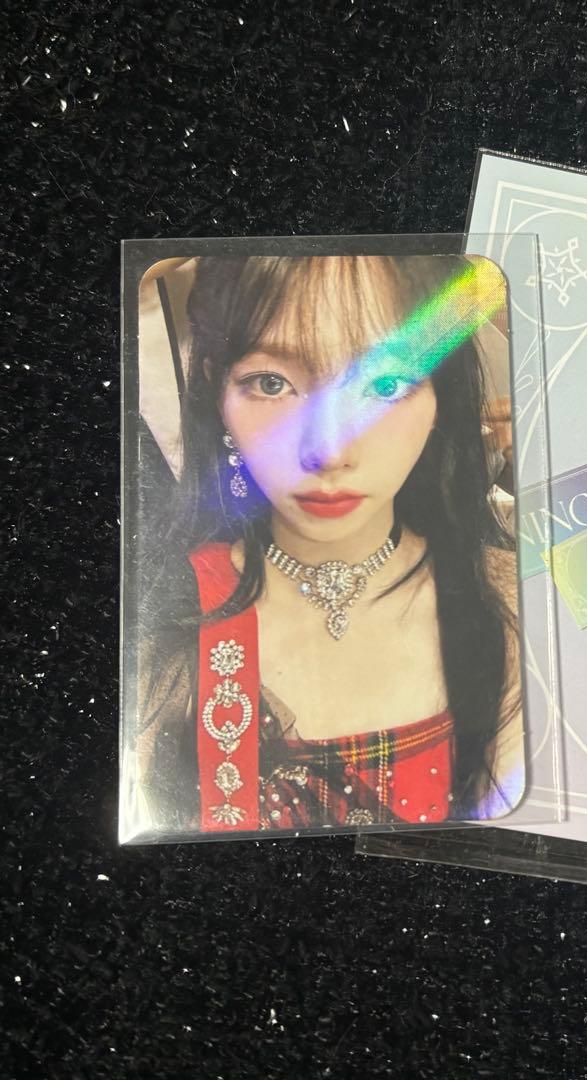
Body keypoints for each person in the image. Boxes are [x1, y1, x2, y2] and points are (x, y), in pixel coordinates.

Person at [127, 254, 523, 838]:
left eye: (386, 384)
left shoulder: (508, 604)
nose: (328, 451)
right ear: (216, 388)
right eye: (271, 383)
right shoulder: (158, 627)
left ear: (441, 398)